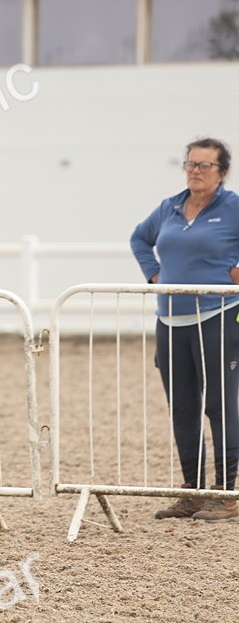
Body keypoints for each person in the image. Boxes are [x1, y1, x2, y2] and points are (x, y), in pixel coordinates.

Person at [131, 137, 239, 521]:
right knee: (183, 406)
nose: (195, 170)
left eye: (204, 165)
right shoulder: (170, 207)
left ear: (221, 172)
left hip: (219, 314)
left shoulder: (233, 207)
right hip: (171, 319)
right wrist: (155, 275)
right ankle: (192, 491)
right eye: (191, 164)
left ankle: (227, 494)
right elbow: (140, 239)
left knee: (220, 404)